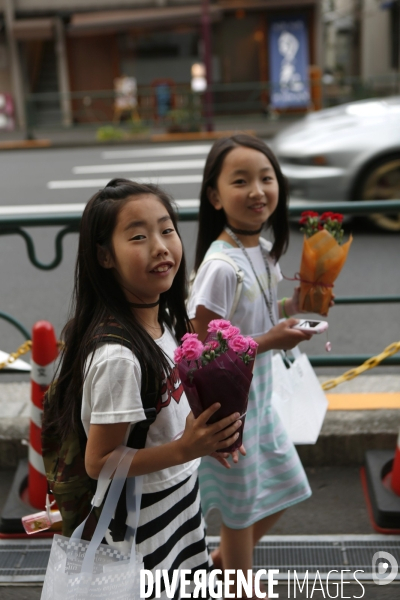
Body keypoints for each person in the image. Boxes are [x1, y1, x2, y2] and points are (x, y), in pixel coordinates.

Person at [43, 178, 242, 598]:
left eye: (166, 229)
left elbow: (165, 412)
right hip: (141, 520)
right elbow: (100, 462)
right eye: (138, 236)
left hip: (178, 498)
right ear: (104, 256)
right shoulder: (119, 357)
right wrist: (184, 450)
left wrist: (209, 436)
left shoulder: (164, 321)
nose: (160, 246)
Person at [188, 135, 314, 598]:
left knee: (287, 486)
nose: (258, 190)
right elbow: (201, 348)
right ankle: (238, 585)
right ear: (216, 197)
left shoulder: (262, 250)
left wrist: (296, 306)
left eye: (266, 178)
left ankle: (223, 565)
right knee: (240, 511)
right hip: (230, 407)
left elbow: (254, 312)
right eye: (241, 181)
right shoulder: (220, 266)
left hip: (259, 398)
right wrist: (273, 339)